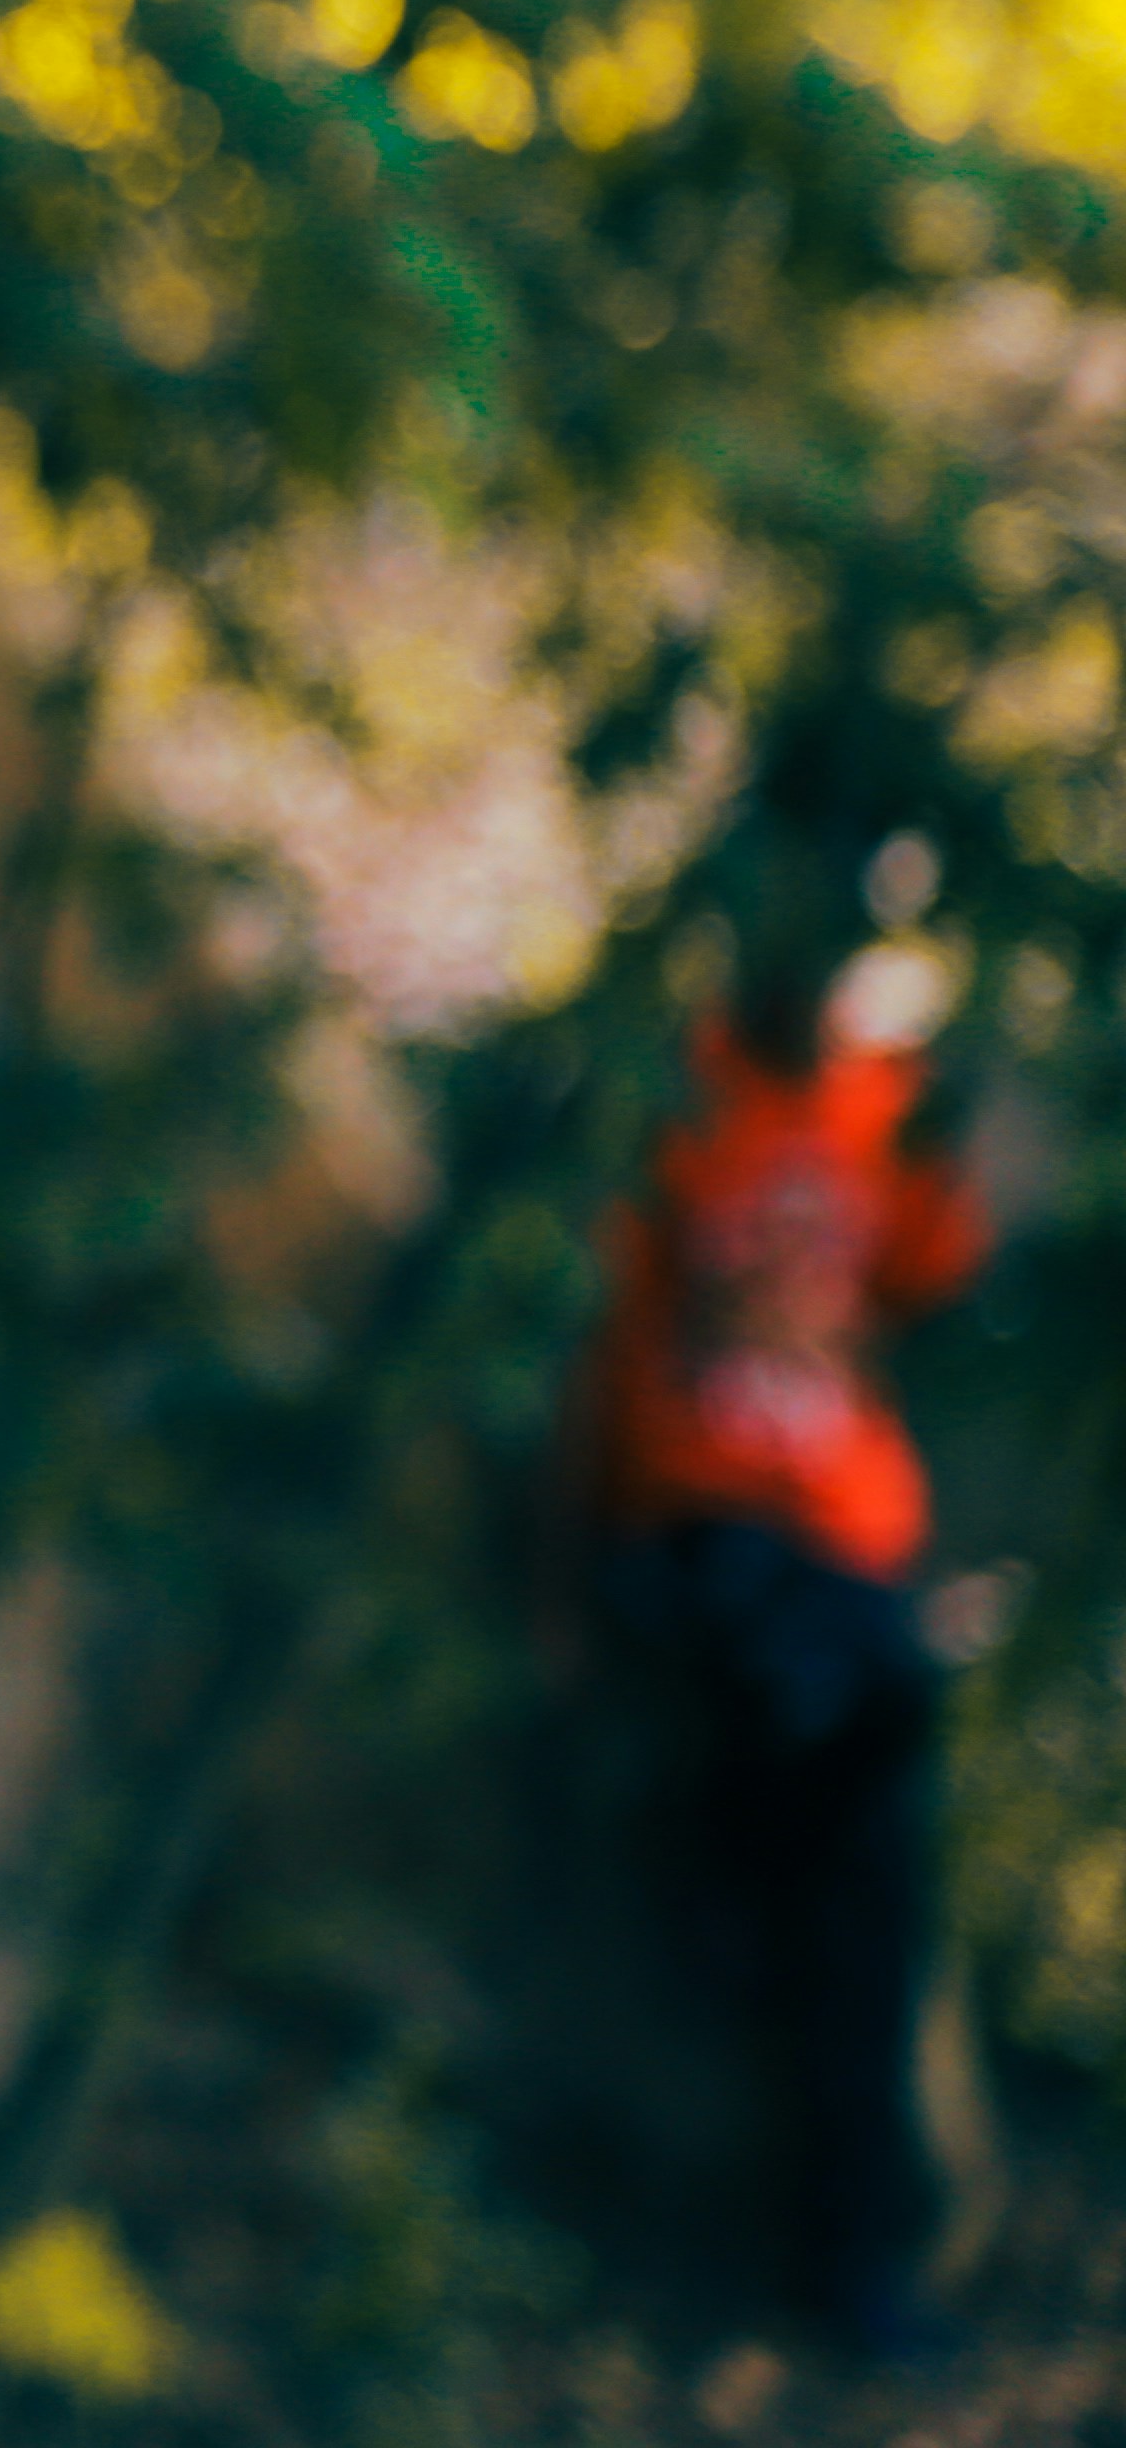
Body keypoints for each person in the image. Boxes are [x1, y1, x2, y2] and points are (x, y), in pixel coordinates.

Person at [572, 892, 993, 2354]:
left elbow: (935, 1273)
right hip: (710, 1521)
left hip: (848, 1546)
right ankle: (740, 1863)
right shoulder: (674, 1095)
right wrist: (610, 1529)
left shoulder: (896, 1105)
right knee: (828, 1705)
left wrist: (957, 1122)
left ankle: (854, 2260)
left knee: (865, 1870)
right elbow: (615, 1334)